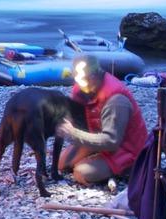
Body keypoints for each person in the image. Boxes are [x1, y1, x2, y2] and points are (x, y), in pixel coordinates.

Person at [56, 53, 147, 186]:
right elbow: (78, 118)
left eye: (84, 79)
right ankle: (97, 160)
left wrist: (73, 133)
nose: (80, 84)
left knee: (81, 173)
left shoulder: (115, 100)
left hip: (125, 149)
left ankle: (125, 170)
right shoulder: (81, 90)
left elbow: (111, 141)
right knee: (61, 163)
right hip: (97, 138)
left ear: (95, 76)